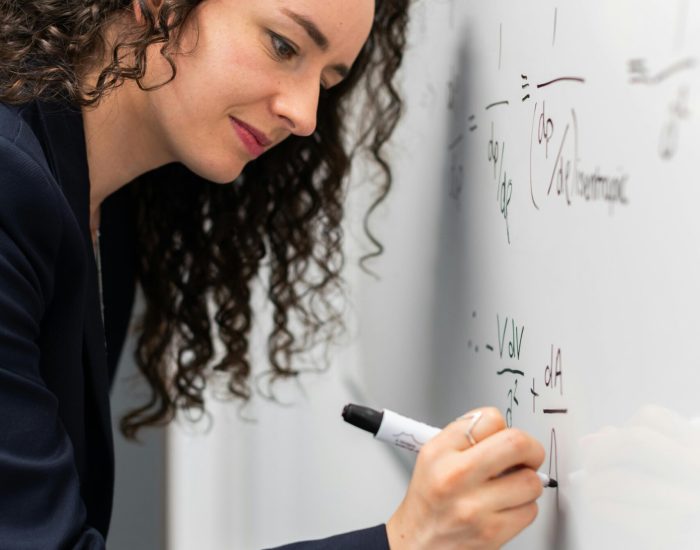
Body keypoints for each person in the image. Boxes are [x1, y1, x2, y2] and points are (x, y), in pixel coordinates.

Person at [0, 0, 546, 548]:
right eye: (283, 46)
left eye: (328, 81)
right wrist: (409, 539)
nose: (306, 116)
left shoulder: (108, 199)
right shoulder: (11, 189)